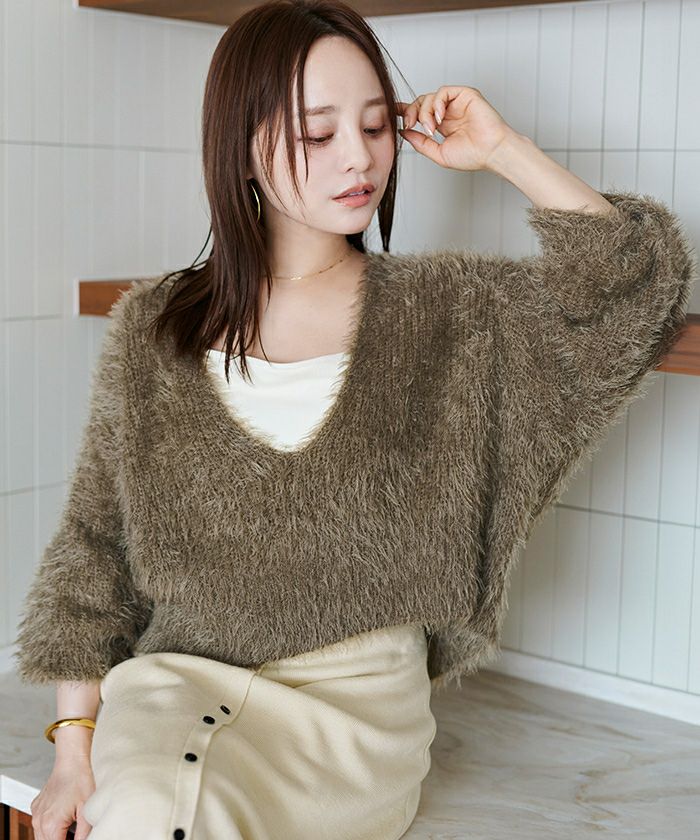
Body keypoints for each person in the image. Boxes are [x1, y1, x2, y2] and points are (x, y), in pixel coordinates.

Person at [14, 1, 695, 839]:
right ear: (243, 148)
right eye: (319, 132)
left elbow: (635, 292)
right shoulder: (155, 328)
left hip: (356, 720)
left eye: (376, 126)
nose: (359, 157)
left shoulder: (451, 317)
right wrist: (74, 749)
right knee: (146, 815)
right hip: (170, 690)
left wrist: (504, 150)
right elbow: (94, 548)